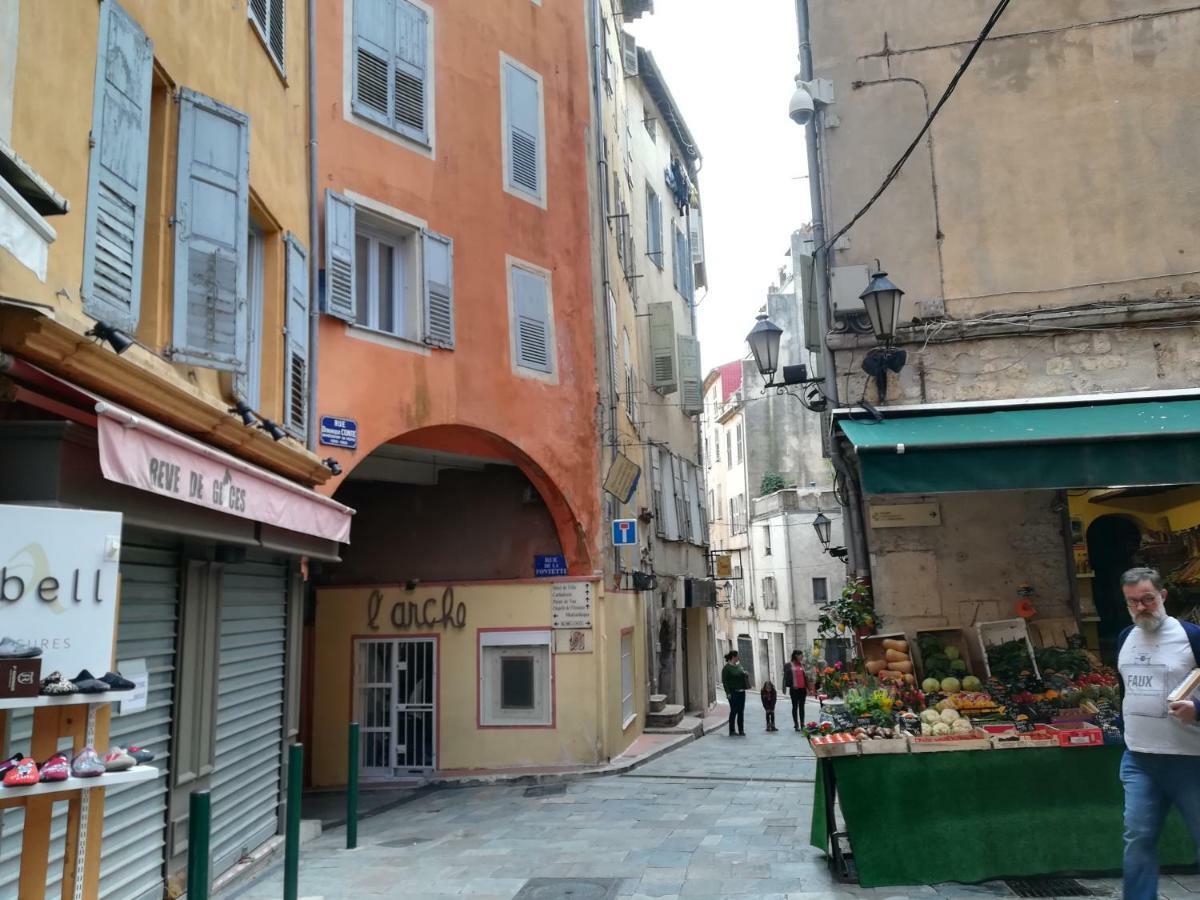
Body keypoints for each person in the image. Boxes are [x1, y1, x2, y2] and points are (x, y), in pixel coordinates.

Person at [1116, 567, 1200, 900]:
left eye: (1147, 599)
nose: (1141, 607)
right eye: (1133, 602)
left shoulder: (1191, 636)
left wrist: (1198, 710)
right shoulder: (1125, 638)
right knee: (1138, 837)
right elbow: (1124, 691)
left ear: (1162, 596)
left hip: (1190, 761)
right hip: (1139, 758)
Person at [721, 650, 749, 736]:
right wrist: (728, 693)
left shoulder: (739, 666)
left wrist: (745, 674)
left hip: (741, 692)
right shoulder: (726, 668)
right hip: (733, 692)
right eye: (737, 656)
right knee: (734, 710)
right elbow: (725, 682)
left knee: (741, 711)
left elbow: (742, 673)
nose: (738, 658)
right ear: (733, 657)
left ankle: (741, 730)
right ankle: (732, 730)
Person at [783, 650, 809, 731]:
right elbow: (786, 677)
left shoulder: (803, 665)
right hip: (794, 689)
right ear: (796, 655)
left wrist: (808, 688)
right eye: (801, 655)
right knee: (795, 707)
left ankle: (802, 724)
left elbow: (805, 677)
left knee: (802, 707)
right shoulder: (788, 665)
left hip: (802, 689)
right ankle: (796, 724)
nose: (802, 657)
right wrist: (791, 684)